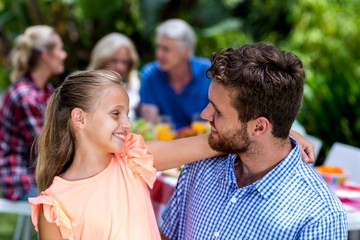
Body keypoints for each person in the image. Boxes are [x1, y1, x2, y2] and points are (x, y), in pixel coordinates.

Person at [161, 43, 347, 239]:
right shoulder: (199, 167)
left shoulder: (319, 216)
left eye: (219, 111)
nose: (205, 114)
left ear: (259, 127)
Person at [27, 70, 221, 239]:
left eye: (127, 114)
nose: (128, 124)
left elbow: (207, 145)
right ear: (79, 118)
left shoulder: (132, 158)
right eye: (115, 114)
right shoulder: (54, 207)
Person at [0, 25, 67, 201]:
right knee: (76, 200)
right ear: (45, 56)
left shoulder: (47, 91)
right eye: (60, 49)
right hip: (20, 180)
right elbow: (47, 146)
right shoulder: (24, 95)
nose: (64, 55)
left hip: (38, 174)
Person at [139, 18, 211, 130]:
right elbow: (149, 125)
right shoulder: (150, 75)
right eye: (158, 47)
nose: (159, 54)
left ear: (186, 51)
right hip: (165, 143)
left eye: (166, 49)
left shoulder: (209, 73)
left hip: (203, 142)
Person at [87, 32, 140, 121]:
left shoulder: (134, 83)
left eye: (124, 62)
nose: (120, 67)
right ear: (101, 61)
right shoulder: (86, 86)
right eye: (114, 61)